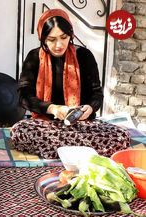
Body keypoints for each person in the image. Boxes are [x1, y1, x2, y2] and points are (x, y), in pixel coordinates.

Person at [10, 9, 130, 158]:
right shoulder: (34, 57)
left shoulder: (85, 56)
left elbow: (97, 93)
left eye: (63, 37)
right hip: (46, 125)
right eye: (51, 39)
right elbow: (24, 96)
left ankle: (61, 150)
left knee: (121, 136)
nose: (58, 45)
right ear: (43, 38)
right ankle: (81, 151)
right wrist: (53, 109)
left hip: (81, 126)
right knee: (19, 131)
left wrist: (90, 108)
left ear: (71, 35)